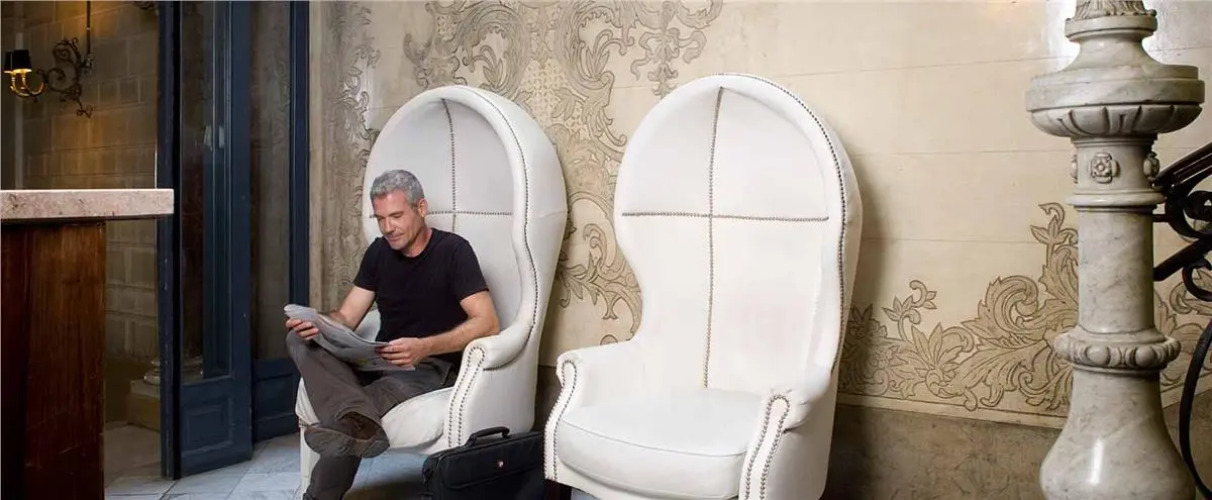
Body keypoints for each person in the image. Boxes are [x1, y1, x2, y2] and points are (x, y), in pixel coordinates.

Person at [285, 169, 500, 500]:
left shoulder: (454, 251)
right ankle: (355, 419)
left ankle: (319, 492)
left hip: (428, 367)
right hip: (378, 359)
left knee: (353, 417)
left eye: (396, 216)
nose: (388, 227)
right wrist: (318, 323)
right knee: (300, 339)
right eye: (381, 218)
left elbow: (487, 322)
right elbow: (347, 317)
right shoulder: (378, 253)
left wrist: (424, 347)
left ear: (421, 208)